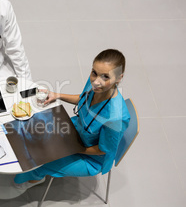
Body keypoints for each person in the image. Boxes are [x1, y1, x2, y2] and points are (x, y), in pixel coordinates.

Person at [14, 49, 131, 190]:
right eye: (94, 73)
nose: (96, 82)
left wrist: (73, 148)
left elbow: (102, 150)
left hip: (90, 157)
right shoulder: (95, 84)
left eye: (106, 77)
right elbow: (83, 99)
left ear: (119, 78)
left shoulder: (115, 118)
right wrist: (57, 95)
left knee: (42, 162)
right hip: (76, 130)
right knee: (33, 132)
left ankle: (33, 179)